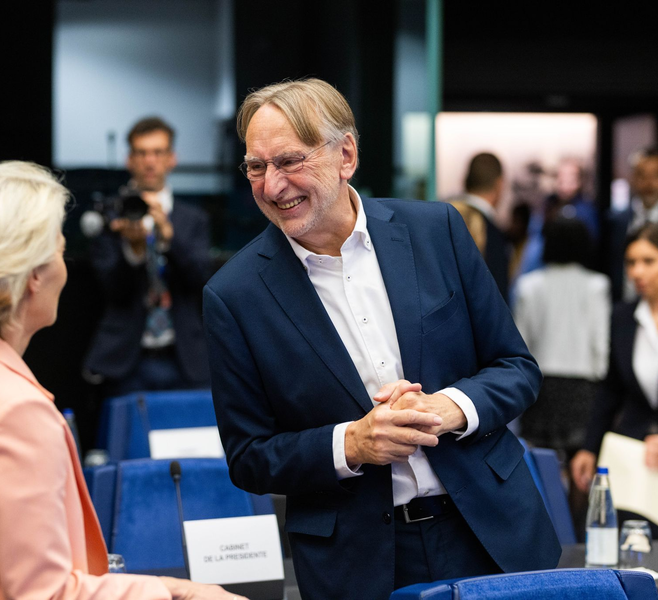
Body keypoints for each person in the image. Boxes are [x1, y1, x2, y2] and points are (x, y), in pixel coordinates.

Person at [203, 79, 559, 599]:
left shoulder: (437, 230)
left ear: (345, 154)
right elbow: (249, 456)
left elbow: (516, 368)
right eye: (257, 167)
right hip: (358, 562)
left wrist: (449, 408)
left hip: (491, 531)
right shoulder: (234, 295)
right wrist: (352, 443)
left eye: (289, 162)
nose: (272, 186)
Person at [0, 162, 242, 600]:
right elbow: (47, 594)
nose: (65, 266)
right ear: (32, 275)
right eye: (58, 249)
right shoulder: (15, 412)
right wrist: (175, 594)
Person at [83, 117, 212, 400]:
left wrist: (168, 236)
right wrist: (134, 250)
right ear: (129, 160)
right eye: (141, 153)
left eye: (158, 152)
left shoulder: (192, 219)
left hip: (186, 358)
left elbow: (201, 281)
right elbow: (110, 290)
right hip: (126, 360)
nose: (150, 161)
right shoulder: (110, 216)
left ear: (172, 158)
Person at [572, 224, 658, 511]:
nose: (637, 272)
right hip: (637, 452)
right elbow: (611, 389)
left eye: (648, 261)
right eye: (631, 262)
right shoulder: (624, 316)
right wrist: (589, 446)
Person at [513, 217, 610, 455]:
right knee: (582, 465)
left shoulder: (529, 285)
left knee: (541, 464)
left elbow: (520, 343)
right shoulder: (597, 285)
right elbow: (601, 341)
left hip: (541, 386)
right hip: (583, 386)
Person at [448, 152, 511, 301]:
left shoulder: (442, 221)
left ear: (465, 181)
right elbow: (497, 300)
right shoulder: (494, 235)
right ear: (500, 184)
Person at [607, 148, 658, 301]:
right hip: (626, 306)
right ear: (633, 178)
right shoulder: (617, 220)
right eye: (642, 175)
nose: (649, 183)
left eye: (655, 175)